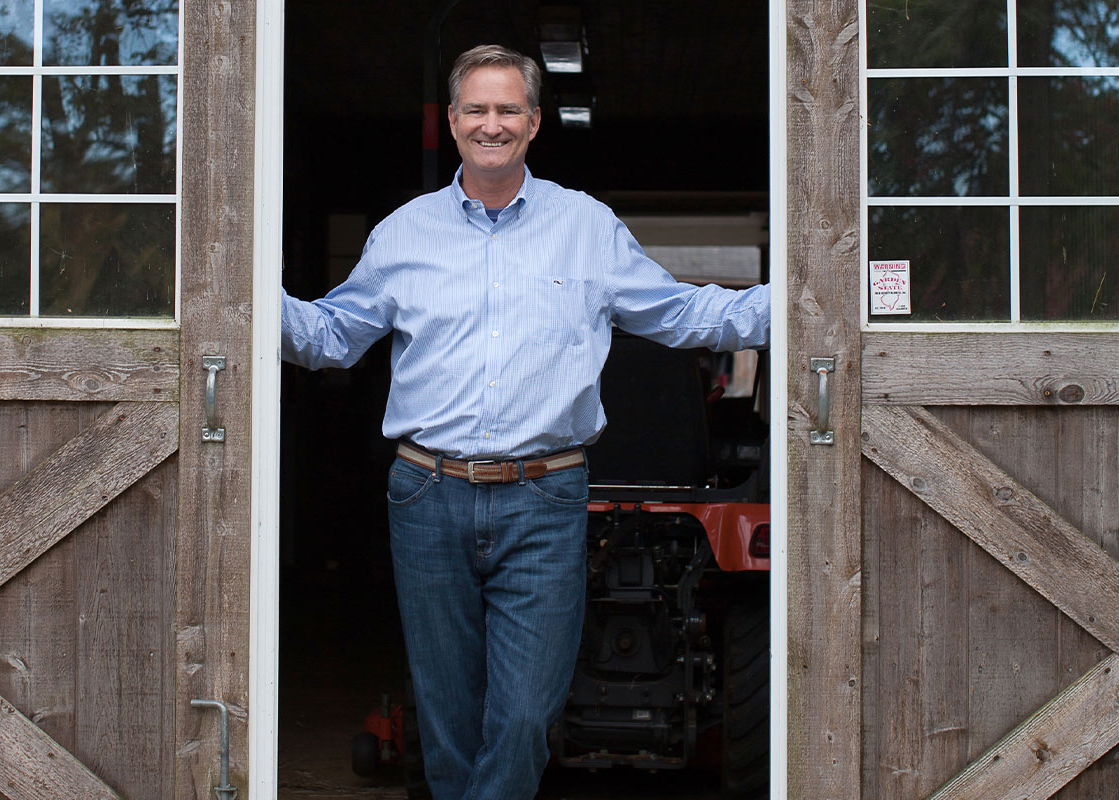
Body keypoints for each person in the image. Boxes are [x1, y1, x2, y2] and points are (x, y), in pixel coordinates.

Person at [281, 43, 770, 800]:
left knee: (519, 722)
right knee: (447, 720)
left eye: (509, 108)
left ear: (535, 123)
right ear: (452, 121)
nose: (492, 124)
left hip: (544, 498)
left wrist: (802, 301)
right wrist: (233, 292)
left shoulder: (586, 226)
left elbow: (681, 314)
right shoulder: (404, 234)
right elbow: (329, 336)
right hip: (425, 494)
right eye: (476, 108)